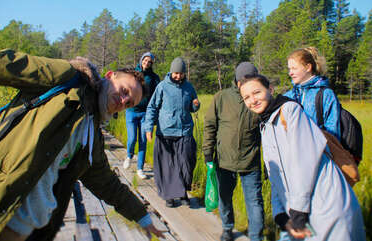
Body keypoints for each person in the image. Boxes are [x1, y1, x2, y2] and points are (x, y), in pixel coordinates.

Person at [0, 39, 164, 241]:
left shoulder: (92, 132)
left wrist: (142, 216)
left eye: (129, 103)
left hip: (22, 229)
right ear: (109, 76)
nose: (123, 100)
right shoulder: (66, 78)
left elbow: (106, 182)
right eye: (124, 91)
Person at [238, 74, 366, 241]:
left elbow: (305, 161)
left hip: (326, 205)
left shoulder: (290, 111)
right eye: (246, 97)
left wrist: (298, 211)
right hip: (302, 212)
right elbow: (275, 175)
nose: (252, 100)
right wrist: (280, 215)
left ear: (270, 90)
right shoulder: (266, 126)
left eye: (256, 92)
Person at [203, 62, 264, 241]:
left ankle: (256, 237)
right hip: (224, 160)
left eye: (254, 80)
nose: (250, 85)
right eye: (246, 81)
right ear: (238, 82)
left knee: (254, 202)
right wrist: (208, 153)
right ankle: (227, 228)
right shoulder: (221, 98)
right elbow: (210, 126)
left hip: (250, 162)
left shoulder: (259, 99)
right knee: (224, 197)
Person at [144, 57, 200, 208]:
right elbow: (152, 108)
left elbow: (192, 107)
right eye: (175, 73)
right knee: (167, 166)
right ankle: (170, 195)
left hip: (185, 131)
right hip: (165, 132)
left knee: (186, 163)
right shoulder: (162, 86)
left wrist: (195, 105)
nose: (178, 76)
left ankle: (182, 192)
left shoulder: (189, 87)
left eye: (181, 73)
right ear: (171, 72)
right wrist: (148, 128)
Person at [284, 47, 341, 140]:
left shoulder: (326, 94)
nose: (290, 73)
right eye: (289, 69)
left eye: (294, 68)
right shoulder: (288, 96)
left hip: (320, 153)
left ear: (308, 67)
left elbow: (333, 132)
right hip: (292, 153)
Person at [123, 52, 160, 179]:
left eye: (150, 62)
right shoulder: (133, 73)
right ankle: (129, 155)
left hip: (146, 113)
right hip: (131, 110)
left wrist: (155, 115)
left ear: (152, 64)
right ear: (141, 60)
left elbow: (157, 96)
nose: (147, 63)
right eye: (145, 60)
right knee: (132, 138)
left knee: (143, 141)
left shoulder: (154, 78)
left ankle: (140, 169)